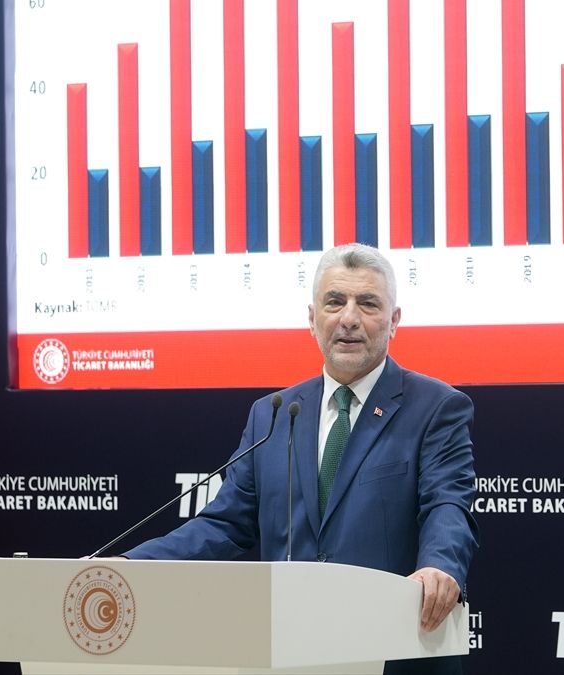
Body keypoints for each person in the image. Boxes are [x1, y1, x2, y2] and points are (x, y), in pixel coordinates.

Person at [125, 243, 479, 675]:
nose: (349, 318)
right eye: (334, 302)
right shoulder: (272, 414)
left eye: (368, 303)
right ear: (312, 319)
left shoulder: (436, 407)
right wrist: (132, 566)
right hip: (292, 651)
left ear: (394, 321)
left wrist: (439, 567)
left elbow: (447, 505)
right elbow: (225, 524)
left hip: (393, 652)